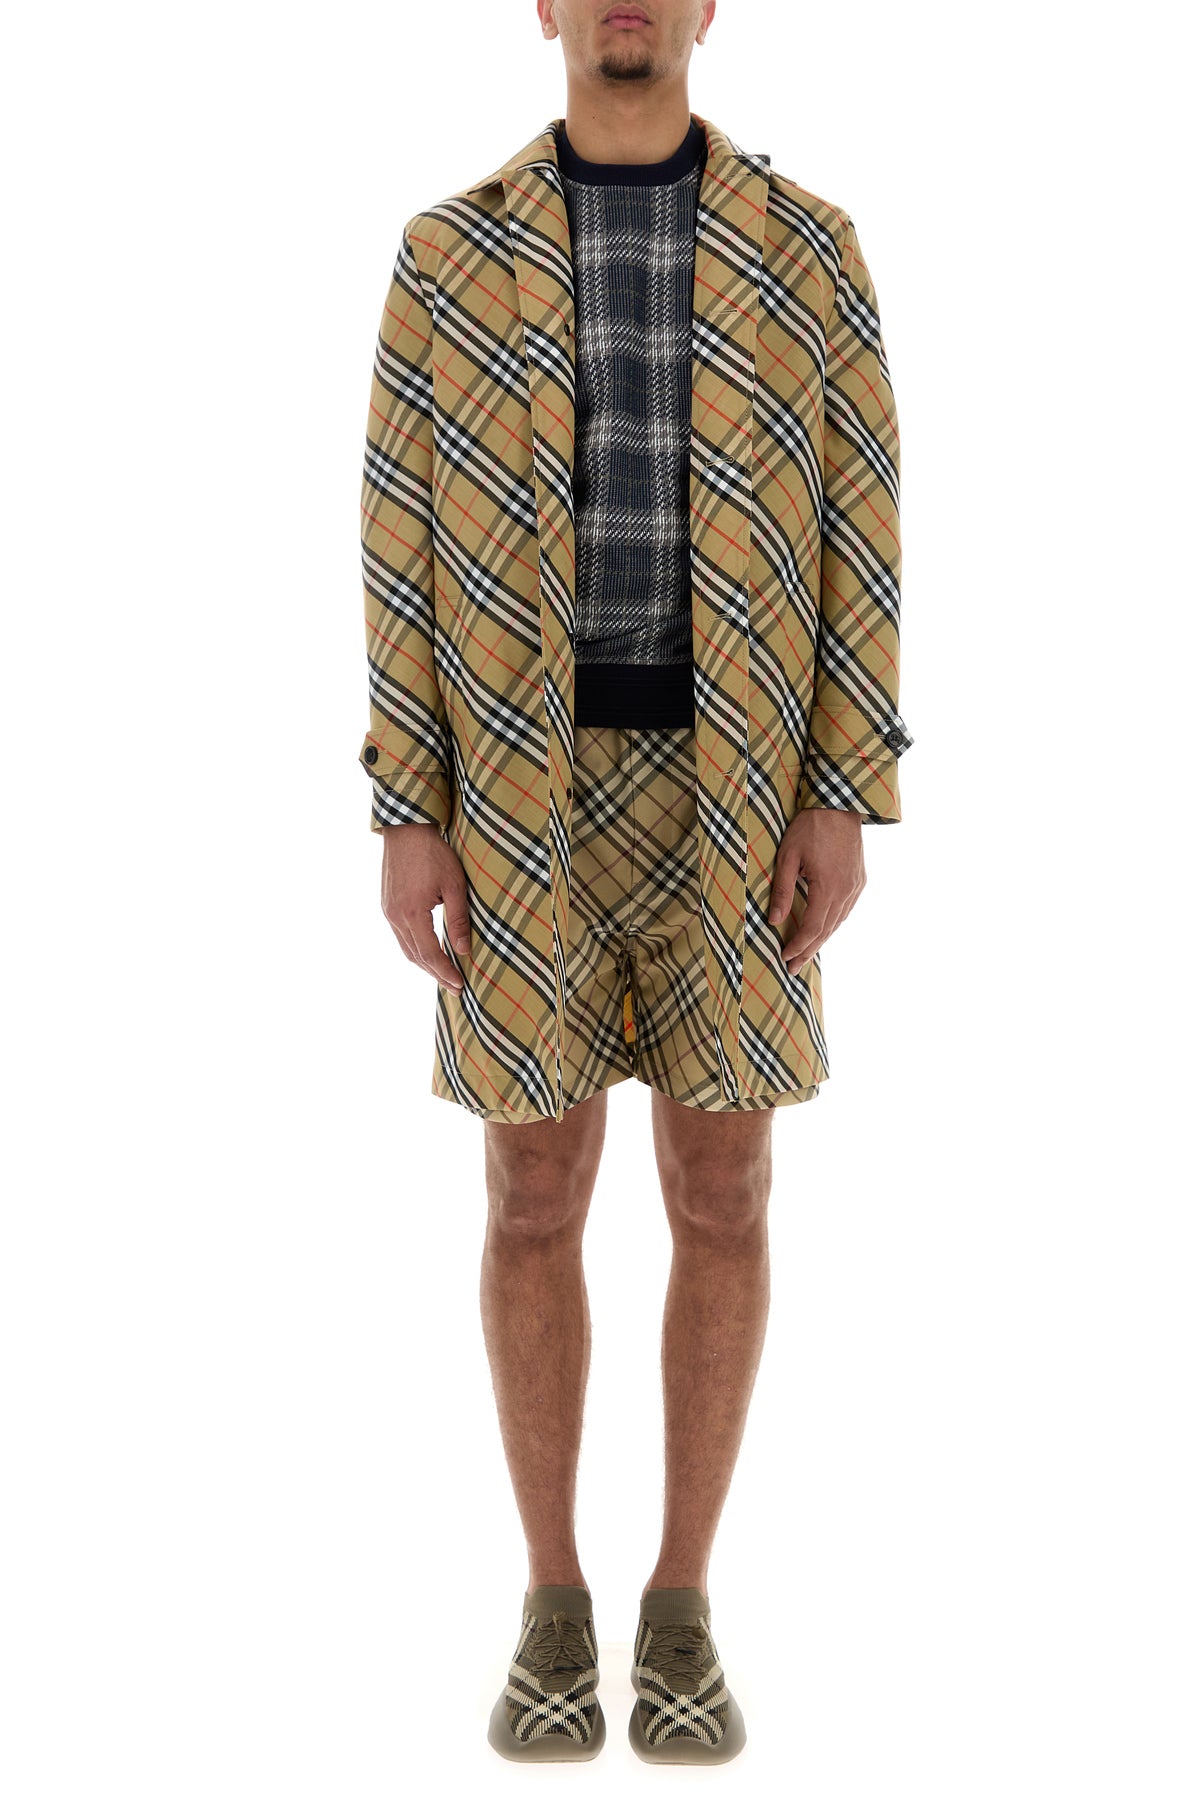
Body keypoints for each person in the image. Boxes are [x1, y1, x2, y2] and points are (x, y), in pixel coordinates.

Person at [355, 0, 912, 1765]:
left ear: (707, 6)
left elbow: (864, 523)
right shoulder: (447, 258)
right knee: (531, 1187)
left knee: (725, 1184)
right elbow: (392, 536)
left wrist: (845, 786)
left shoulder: (807, 251)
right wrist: (408, 802)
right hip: (517, 788)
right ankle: (550, 1604)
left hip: (738, 790)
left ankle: (681, 1607)